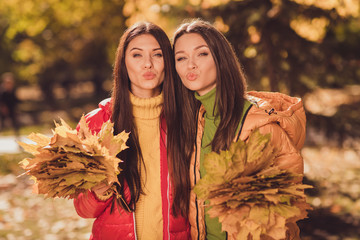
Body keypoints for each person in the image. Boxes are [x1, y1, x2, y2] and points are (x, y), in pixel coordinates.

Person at [171, 19, 306, 240]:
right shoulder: (194, 121)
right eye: (181, 58)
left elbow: (281, 217)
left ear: (221, 59)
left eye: (202, 54)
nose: (190, 65)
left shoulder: (260, 126)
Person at [73, 22, 190, 240]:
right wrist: (99, 193)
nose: (148, 64)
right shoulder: (96, 124)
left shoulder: (187, 119)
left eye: (157, 55)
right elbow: (83, 209)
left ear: (168, 61)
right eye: (137, 55)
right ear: (123, 63)